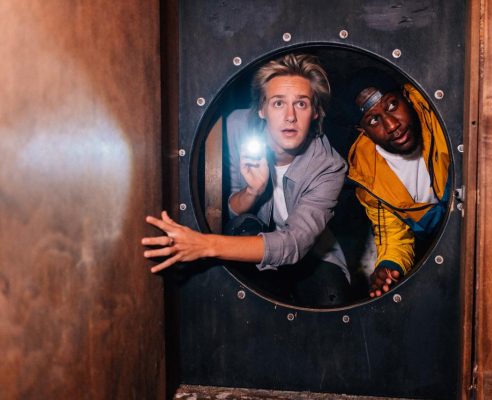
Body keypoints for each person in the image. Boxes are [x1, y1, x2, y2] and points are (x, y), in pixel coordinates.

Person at [142, 53, 350, 307]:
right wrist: (252, 191)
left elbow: (294, 243)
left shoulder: (329, 166)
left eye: (301, 104)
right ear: (261, 109)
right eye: (278, 103)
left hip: (311, 256)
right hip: (247, 241)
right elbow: (224, 213)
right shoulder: (234, 130)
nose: (290, 116)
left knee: (332, 297)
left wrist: (204, 245)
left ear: (316, 112)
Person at [346, 69, 451, 298]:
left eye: (392, 105)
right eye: (374, 120)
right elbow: (394, 237)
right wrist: (388, 268)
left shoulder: (440, 114)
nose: (392, 125)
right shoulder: (369, 176)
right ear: (363, 132)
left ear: (406, 97)